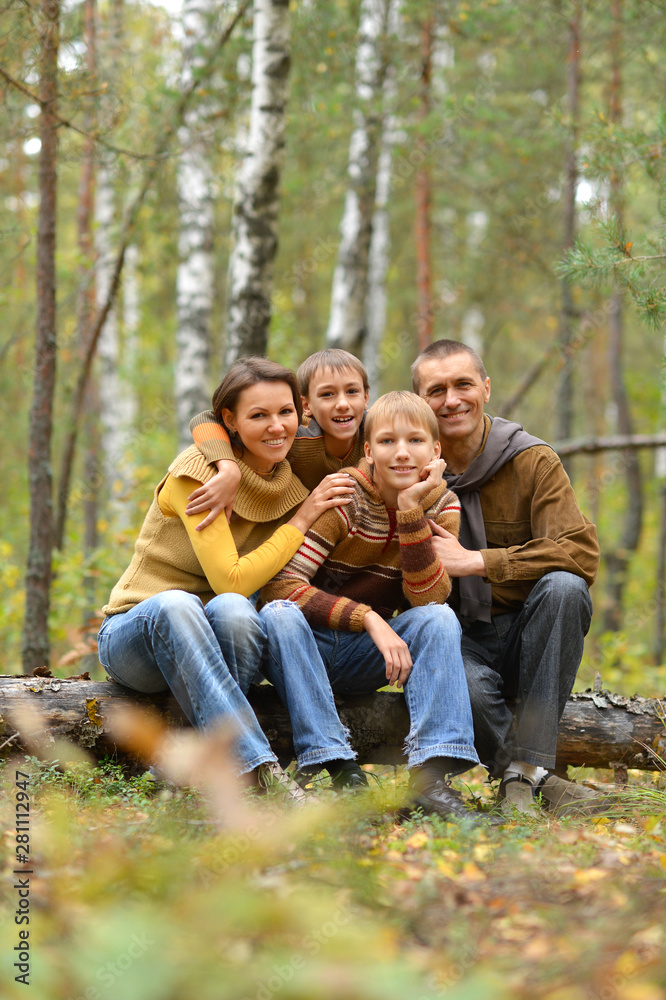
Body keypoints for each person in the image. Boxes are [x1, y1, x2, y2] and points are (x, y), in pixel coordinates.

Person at [97, 357, 363, 799]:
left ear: (301, 411)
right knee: (182, 602)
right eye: (258, 415)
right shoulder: (198, 474)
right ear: (230, 422)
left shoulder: (290, 486)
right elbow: (232, 580)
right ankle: (255, 768)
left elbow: (236, 598)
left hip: (208, 647)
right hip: (136, 636)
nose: (276, 426)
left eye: (284, 413)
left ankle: (208, 772)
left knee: (238, 611)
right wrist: (302, 518)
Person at [261, 391, 488, 825]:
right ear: (368, 449)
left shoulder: (443, 504)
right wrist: (368, 619)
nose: (401, 453)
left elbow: (430, 598)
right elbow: (279, 586)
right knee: (276, 614)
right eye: (386, 442)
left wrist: (409, 511)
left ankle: (431, 779)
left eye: (416, 442)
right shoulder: (347, 498)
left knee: (439, 618)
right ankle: (340, 769)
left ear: (435, 451)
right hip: (302, 646)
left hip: (366, 659)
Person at [411, 339, 602, 815]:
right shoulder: (403, 467)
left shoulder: (533, 460)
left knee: (565, 586)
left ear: (486, 388)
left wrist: (477, 561)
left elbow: (579, 553)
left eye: (463, 384)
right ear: (420, 402)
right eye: (436, 390)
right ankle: (529, 777)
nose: (452, 400)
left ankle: (522, 777)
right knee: (466, 686)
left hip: (527, 636)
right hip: (457, 640)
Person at [185, 348, 369, 526]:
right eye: (327, 394)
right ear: (305, 405)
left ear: (366, 397)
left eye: (352, 391)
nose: (343, 404)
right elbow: (205, 418)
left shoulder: (375, 430)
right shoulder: (293, 436)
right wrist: (228, 468)